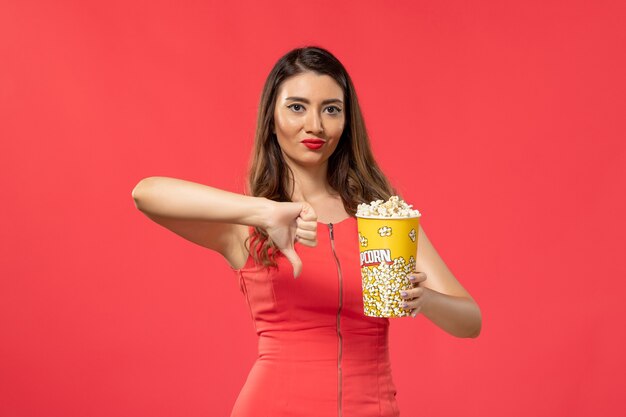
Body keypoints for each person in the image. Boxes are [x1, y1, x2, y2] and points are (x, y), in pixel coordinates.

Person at [132, 46, 481, 417]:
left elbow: (469, 321)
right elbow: (146, 194)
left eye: (331, 109)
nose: (315, 124)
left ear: (347, 122)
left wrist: (421, 298)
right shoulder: (249, 224)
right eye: (296, 107)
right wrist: (265, 210)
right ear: (272, 117)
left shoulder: (382, 219)